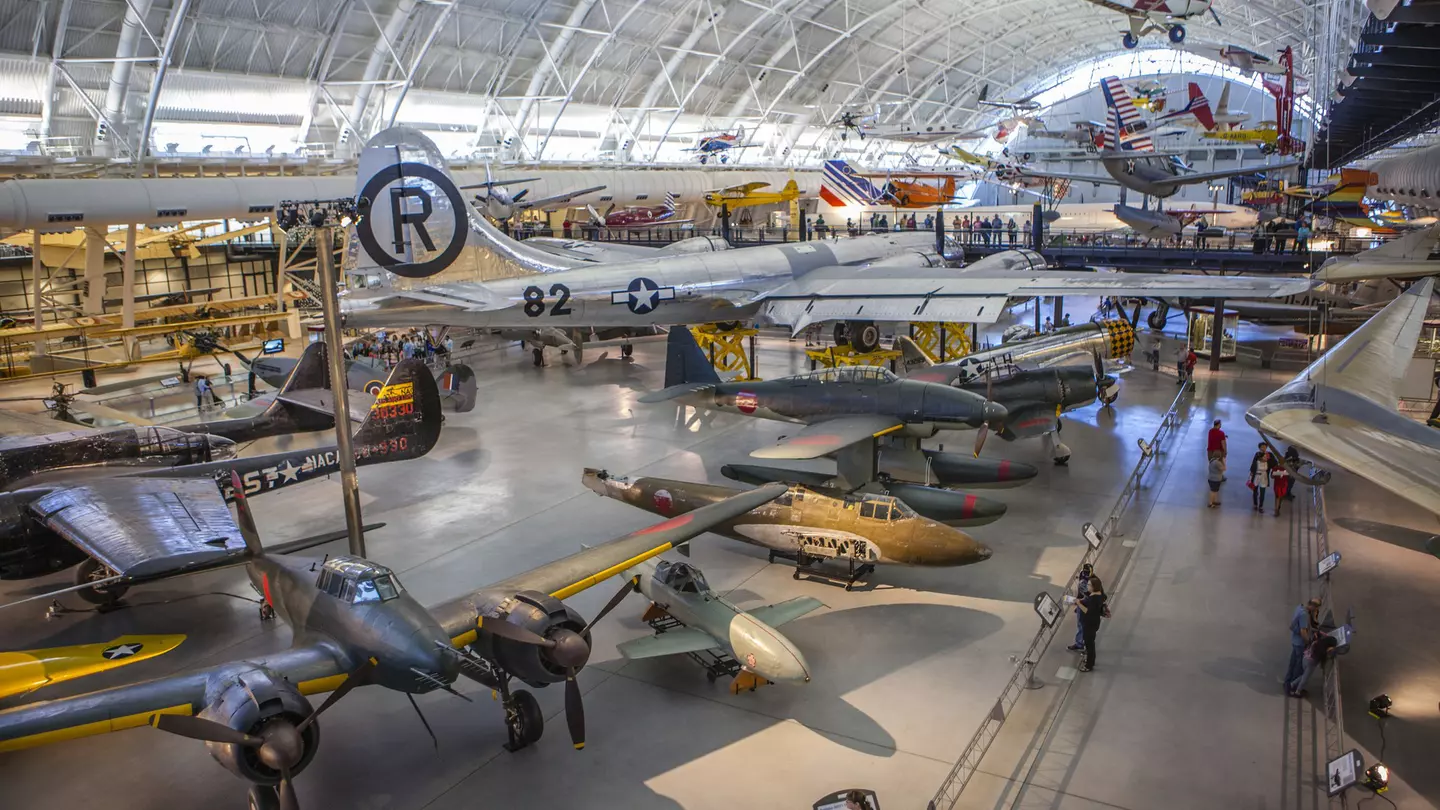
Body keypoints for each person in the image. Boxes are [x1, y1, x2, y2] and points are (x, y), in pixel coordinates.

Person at [1284, 598, 1322, 694]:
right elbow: (1303, 631)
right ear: (1313, 606)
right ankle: (1294, 686)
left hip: (1295, 641)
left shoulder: (1299, 608)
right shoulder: (1304, 615)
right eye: (1316, 608)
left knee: (1292, 663)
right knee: (1299, 666)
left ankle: (1287, 682)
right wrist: (1308, 642)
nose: (1317, 610)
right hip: (1300, 643)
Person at [1288, 632, 1338, 698]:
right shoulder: (1322, 652)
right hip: (1310, 663)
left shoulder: (1318, 642)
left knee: (1303, 675)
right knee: (1305, 678)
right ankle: (1297, 692)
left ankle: (1292, 684)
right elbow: (1323, 659)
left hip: (1305, 658)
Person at [1074, 575, 1108, 672]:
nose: (1087, 586)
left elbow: (1087, 611)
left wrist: (1079, 603)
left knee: (1089, 644)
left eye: (1089, 585)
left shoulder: (1094, 599)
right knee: (1089, 643)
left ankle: (1089, 664)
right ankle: (1089, 659)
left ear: (1094, 587)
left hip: (1090, 624)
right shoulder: (1097, 594)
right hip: (1091, 623)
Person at [1067, 563, 1094, 652]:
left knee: (1081, 625)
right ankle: (1084, 643)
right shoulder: (1093, 579)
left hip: (1084, 606)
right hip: (1087, 606)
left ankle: (1080, 644)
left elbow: (1086, 597)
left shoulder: (1083, 582)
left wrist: (1077, 602)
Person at [1249, 443, 1272, 512]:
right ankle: (1255, 504)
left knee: (1262, 491)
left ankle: (1261, 506)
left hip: (1264, 475)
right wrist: (1252, 472)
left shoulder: (1268, 455)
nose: (1263, 448)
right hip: (1257, 475)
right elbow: (1253, 463)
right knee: (1255, 490)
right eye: (1262, 447)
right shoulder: (1257, 454)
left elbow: (1271, 462)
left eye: (1264, 447)